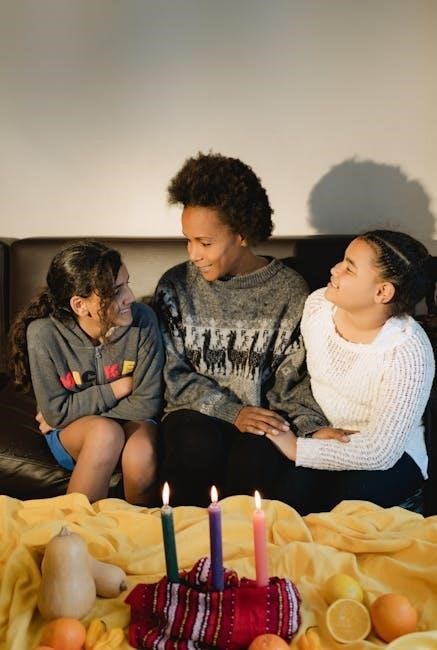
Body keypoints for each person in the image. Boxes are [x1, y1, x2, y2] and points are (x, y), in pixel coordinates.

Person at [153, 151, 341, 507]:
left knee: (256, 457)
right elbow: (173, 375)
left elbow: (294, 379)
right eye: (187, 240)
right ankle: (186, 539)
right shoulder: (175, 286)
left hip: (263, 418)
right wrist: (232, 412)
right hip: (195, 413)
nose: (193, 254)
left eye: (205, 242)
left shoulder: (289, 291)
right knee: (193, 444)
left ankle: (243, 541)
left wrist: (309, 427)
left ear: (241, 234)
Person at [265, 230, 435, 514]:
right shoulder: (318, 307)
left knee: (348, 501)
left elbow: (381, 452)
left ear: (382, 292)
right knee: (290, 497)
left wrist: (297, 448)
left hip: (391, 453)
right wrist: (313, 429)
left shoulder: (408, 351)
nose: (334, 269)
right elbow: (299, 377)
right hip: (325, 433)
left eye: (349, 268)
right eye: (342, 260)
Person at [9, 240, 164, 504]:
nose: (129, 296)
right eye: (115, 291)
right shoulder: (44, 335)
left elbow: (146, 404)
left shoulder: (143, 320)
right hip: (77, 433)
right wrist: (116, 388)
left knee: (140, 454)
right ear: (80, 305)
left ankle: (139, 529)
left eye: (127, 284)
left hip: (133, 421)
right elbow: (56, 413)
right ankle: (75, 528)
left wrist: (70, 410)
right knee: (105, 434)